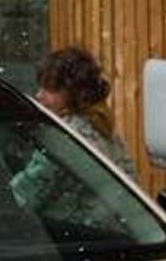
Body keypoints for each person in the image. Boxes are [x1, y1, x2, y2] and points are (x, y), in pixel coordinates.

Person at [31, 45, 134, 178]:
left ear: (74, 92)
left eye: (50, 88)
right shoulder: (103, 127)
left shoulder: (69, 137)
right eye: (41, 87)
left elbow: (27, 189)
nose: (39, 95)